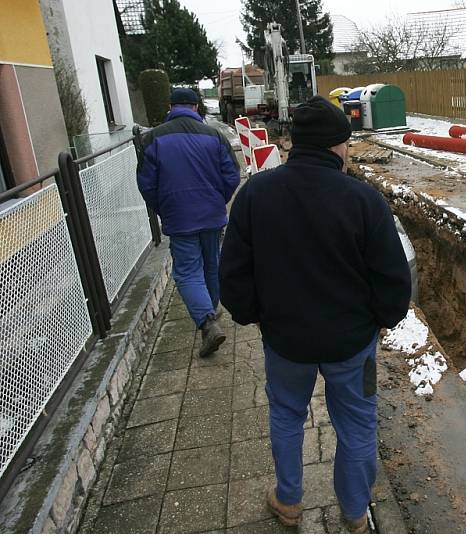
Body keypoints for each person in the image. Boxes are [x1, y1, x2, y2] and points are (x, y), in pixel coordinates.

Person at [219, 96, 411, 533]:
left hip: (286, 341)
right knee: (357, 424)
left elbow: (231, 270)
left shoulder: (255, 195)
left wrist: (254, 316)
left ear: (293, 143)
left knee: (286, 416)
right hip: (351, 343)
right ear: (337, 147)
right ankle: (355, 512)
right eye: (345, 144)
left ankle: (288, 502)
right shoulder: (364, 200)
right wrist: (383, 320)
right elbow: (392, 275)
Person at [137, 88, 240, 356]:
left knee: (187, 271)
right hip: (211, 215)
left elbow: (146, 184)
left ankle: (207, 322)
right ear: (196, 108)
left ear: (170, 106)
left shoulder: (153, 139)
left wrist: (164, 208)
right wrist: (218, 201)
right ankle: (211, 309)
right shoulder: (214, 136)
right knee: (212, 263)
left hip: (179, 217)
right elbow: (231, 176)